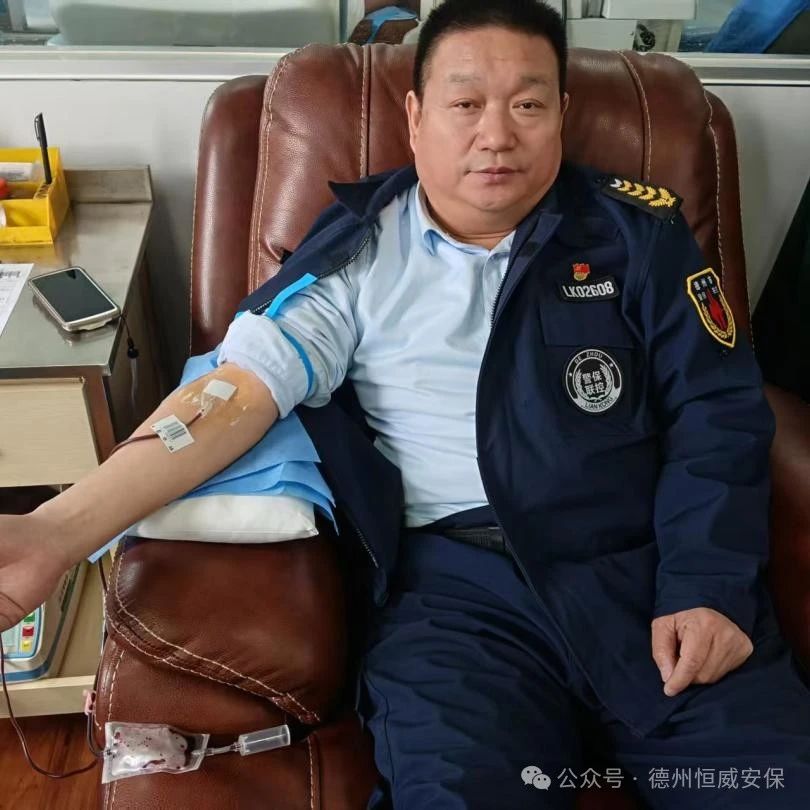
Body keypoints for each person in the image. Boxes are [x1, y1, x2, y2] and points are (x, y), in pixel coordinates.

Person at [1, 1, 809, 807]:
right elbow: (232, 395)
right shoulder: (355, 256)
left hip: (644, 572)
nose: (497, 135)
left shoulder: (637, 237)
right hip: (459, 606)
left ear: (562, 115)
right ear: (416, 118)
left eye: (528, 105)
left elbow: (718, 413)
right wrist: (55, 533)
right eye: (466, 104)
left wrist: (707, 583)